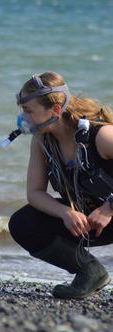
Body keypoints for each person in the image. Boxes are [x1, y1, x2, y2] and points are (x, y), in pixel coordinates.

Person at [8, 71, 113, 299]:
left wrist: (109, 208)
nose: (22, 118)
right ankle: (90, 271)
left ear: (55, 110)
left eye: (28, 111)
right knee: (23, 223)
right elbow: (34, 193)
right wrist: (65, 213)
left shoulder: (101, 135)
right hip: (91, 222)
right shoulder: (42, 140)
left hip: (107, 214)